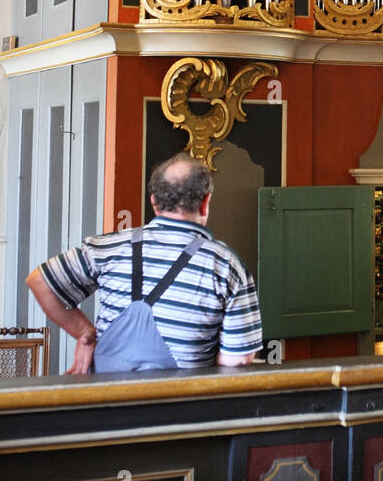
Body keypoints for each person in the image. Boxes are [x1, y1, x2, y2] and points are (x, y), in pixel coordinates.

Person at [26, 153, 263, 374]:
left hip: (102, 407)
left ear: (154, 202)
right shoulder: (226, 265)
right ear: (205, 201)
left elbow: (39, 281)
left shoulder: (109, 246)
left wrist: (84, 334)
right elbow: (238, 360)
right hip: (180, 409)